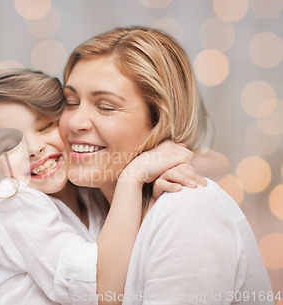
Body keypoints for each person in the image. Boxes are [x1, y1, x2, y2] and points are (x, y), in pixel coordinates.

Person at [0, 69, 223, 305]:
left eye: (46, 126)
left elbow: (216, 163)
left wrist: (162, 165)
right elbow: (99, 293)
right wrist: (133, 177)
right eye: (8, 146)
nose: (34, 148)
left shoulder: (88, 187)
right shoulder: (11, 200)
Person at [60, 26, 272, 304]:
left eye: (106, 107)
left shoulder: (188, 210)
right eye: (70, 102)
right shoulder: (85, 205)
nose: (75, 122)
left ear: (159, 119)